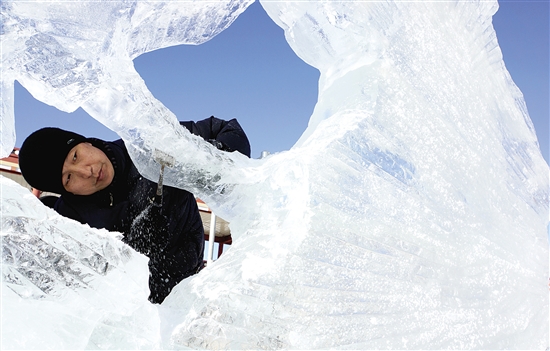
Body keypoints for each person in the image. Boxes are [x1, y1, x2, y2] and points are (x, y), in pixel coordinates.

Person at [19, 116, 251, 303]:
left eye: (76, 156)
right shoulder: (70, 220)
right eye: (69, 178)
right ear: (67, 191)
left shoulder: (148, 148)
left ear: (84, 142)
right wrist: (131, 250)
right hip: (140, 315)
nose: (85, 171)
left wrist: (211, 160)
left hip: (190, 278)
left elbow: (222, 128)